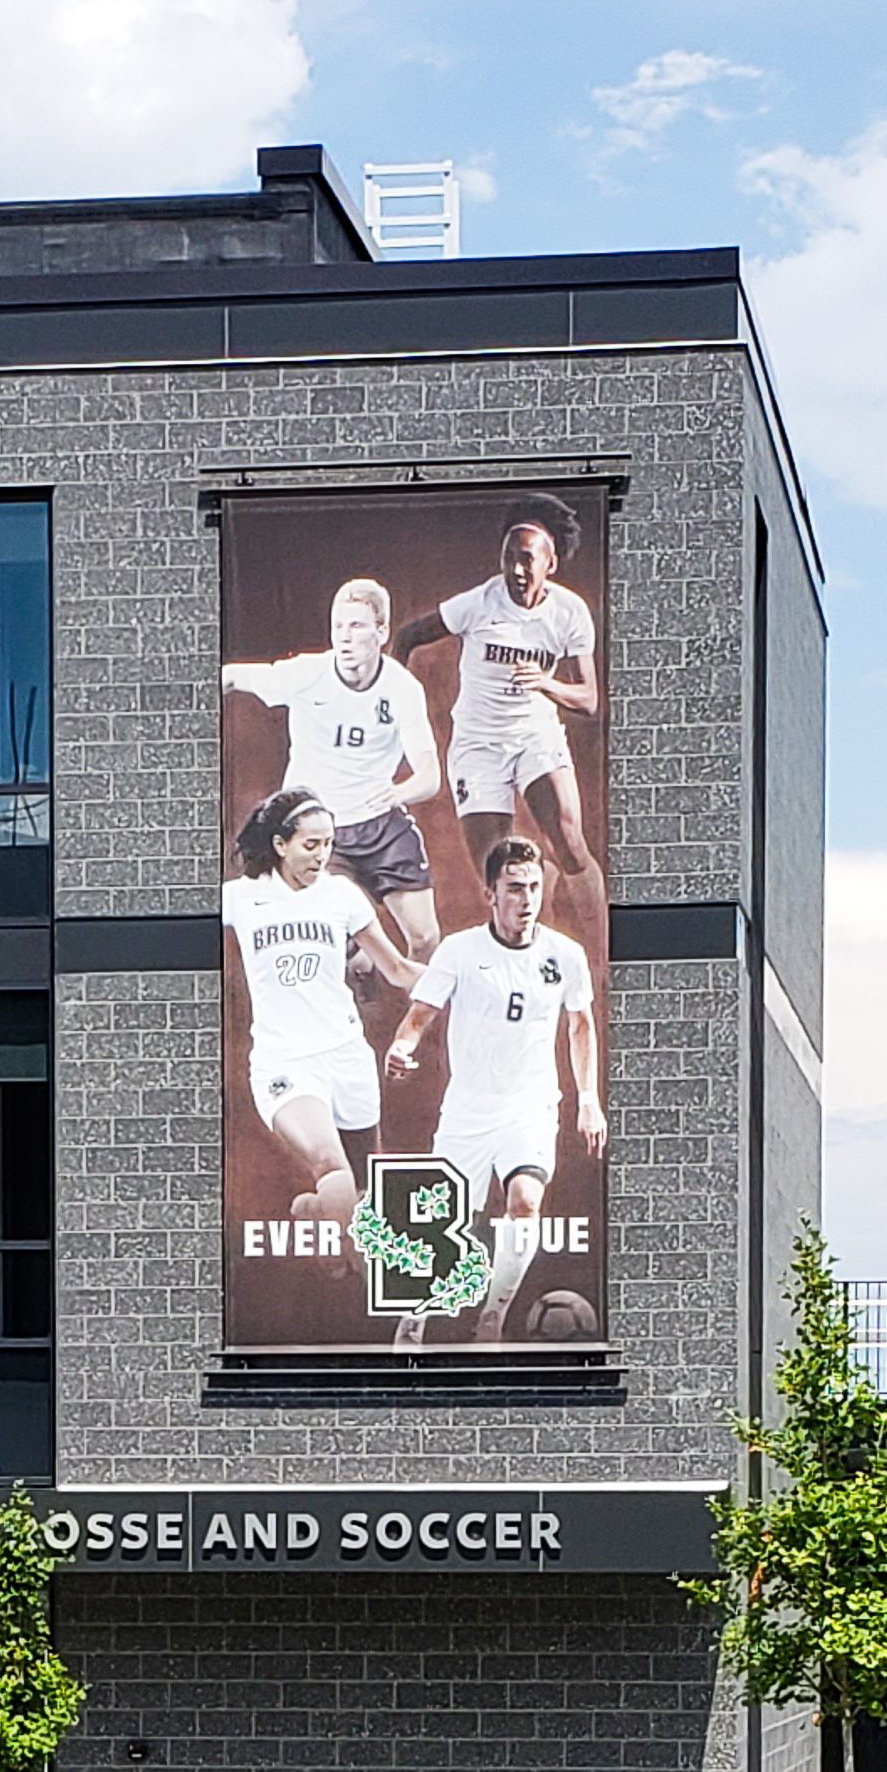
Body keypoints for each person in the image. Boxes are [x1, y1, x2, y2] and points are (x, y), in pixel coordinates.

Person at [383, 835, 604, 1343]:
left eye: (533, 887)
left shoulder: (563, 955)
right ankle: (413, 1320)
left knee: (525, 1201)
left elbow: (581, 1026)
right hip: (468, 1111)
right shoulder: (460, 951)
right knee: (444, 1222)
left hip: (529, 1107)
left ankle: (492, 1318)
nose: (526, 900)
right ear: (491, 894)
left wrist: (587, 1100)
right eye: (514, 888)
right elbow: (419, 1017)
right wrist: (402, 1047)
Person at [392, 494, 605, 970]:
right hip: (479, 745)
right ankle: (529, 949)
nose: (516, 569)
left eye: (527, 559)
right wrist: (388, 704)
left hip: (535, 737)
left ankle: (601, 961)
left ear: (549, 564)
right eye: (509, 557)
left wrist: (546, 684)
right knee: (497, 870)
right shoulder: (479, 604)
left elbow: (590, 700)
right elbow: (407, 636)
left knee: (570, 841)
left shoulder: (569, 613)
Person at [223, 786, 422, 1239]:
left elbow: (396, 969)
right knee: (330, 1166)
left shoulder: (341, 896)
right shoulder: (241, 897)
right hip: (285, 1061)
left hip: (347, 1056)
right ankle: (349, 1254)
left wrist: (460, 978)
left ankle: (319, 1213)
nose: (321, 855)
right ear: (280, 844)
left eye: (328, 844)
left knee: (364, 1192)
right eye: (310, 845)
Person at [223, 579, 442, 958]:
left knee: (425, 938)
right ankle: (358, 958)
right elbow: (230, 676)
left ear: (381, 631)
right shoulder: (306, 674)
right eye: (338, 626)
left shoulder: (402, 689)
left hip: (380, 824)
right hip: (322, 831)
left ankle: (414, 1011)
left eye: (356, 626)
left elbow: (430, 776)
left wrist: (400, 792)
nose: (344, 637)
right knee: (334, 936)